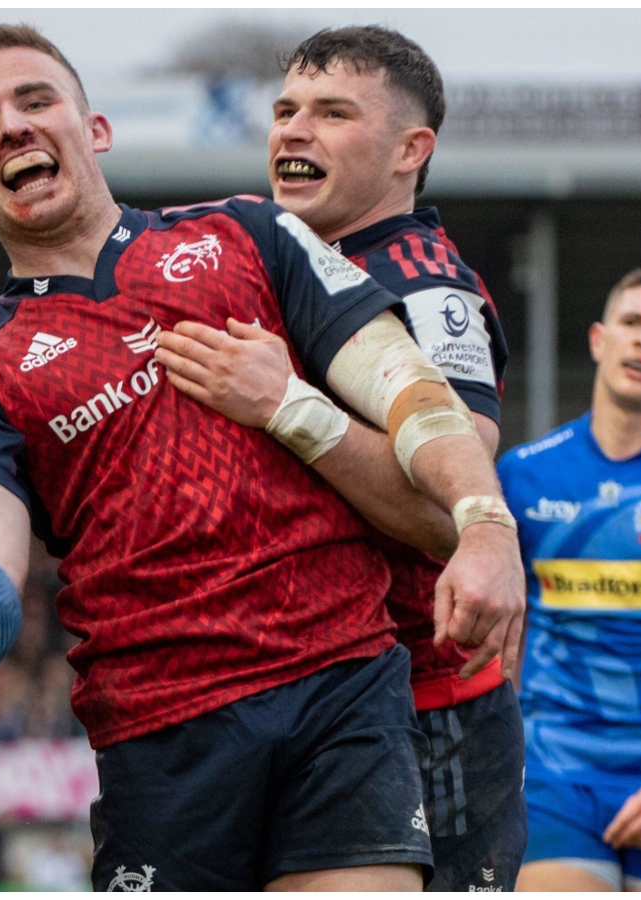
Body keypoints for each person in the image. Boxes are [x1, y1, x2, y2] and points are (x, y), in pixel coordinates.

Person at [0, 23, 526, 891]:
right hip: (162, 730)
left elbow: (410, 391)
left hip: (340, 686)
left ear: (97, 130)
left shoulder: (248, 234)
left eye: (36, 101)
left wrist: (485, 525)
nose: (13, 125)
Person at [153, 25, 525, 891]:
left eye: (331, 113)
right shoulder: (282, 262)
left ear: (411, 149)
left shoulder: (428, 287)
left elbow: (450, 516)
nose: (293, 130)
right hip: (294, 698)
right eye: (284, 110)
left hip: (424, 710)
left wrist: (288, 406)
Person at [498, 267, 641, 891]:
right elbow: (497, 639)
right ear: (598, 340)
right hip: (554, 775)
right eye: (632, 323)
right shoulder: (523, 477)